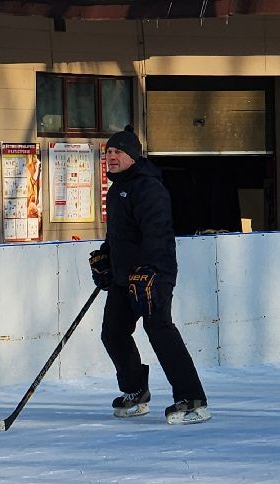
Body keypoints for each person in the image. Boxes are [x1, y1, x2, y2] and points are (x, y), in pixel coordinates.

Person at [88, 126, 210, 425]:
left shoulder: (147, 187)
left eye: (117, 152)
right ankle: (135, 391)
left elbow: (156, 233)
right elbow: (121, 234)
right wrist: (106, 256)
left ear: (132, 156)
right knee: (113, 332)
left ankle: (192, 398)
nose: (111, 157)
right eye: (108, 153)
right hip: (124, 275)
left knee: (159, 329)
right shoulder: (118, 189)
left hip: (153, 274)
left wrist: (148, 270)